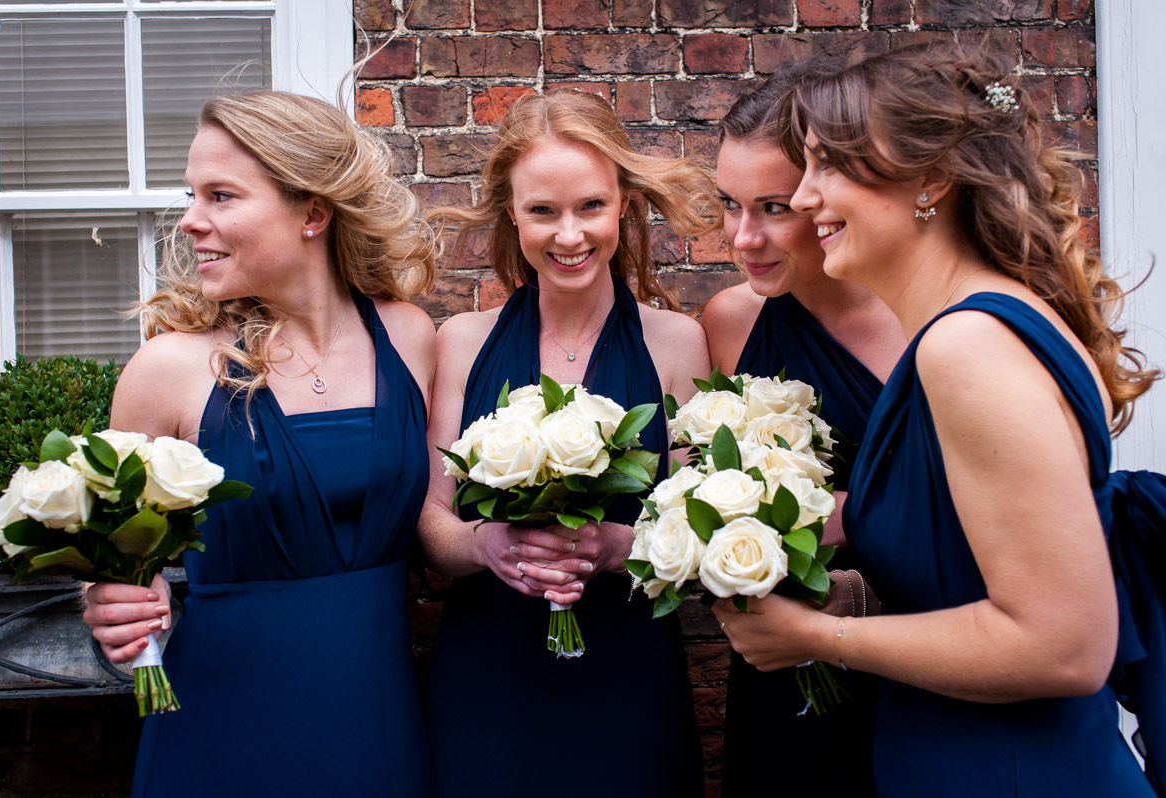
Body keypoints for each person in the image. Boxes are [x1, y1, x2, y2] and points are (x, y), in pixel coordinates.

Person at [714, 44, 1160, 797]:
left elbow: (1065, 648)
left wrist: (819, 636)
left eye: (832, 168)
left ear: (932, 181)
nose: (809, 197)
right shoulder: (988, 322)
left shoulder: (967, 346)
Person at [81, 90, 439, 797]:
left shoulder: (409, 337)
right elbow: (111, 568)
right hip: (221, 730)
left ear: (313, 211)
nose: (190, 220)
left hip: (378, 724)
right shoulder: (170, 370)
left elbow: (435, 522)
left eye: (221, 196)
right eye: (193, 194)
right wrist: (109, 601)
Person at [418, 89, 717, 797]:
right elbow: (431, 522)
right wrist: (487, 544)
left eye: (590, 206)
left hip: (629, 670)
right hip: (490, 672)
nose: (570, 235)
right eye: (542, 211)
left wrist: (618, 548)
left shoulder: (677, 344)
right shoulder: (461, 343)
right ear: (511, 216)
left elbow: (700, 526)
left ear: (623, 205)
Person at [702, 68, 907, 798]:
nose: (742, 237)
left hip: (915, 672)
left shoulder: (926, 319)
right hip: (784, 677)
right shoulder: (731, 322)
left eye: (773, 208)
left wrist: (853, 599)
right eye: (729, 204)